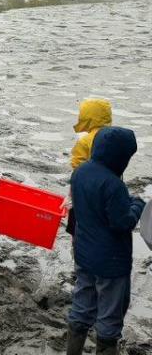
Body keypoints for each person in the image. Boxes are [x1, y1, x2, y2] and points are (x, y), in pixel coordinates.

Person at [66, 127, 145, 355]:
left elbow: (93, 206)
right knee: (110, 317)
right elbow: (123, 222)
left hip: (84, 254)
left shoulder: (79, 172)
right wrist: (138, 204)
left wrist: (124, 201)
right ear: (121, 157)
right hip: (111, 262)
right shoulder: (114, 184)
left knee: (82, 305)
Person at [67, 98, 113, 237]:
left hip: (86, 196)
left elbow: (78, 169)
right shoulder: (114, 137)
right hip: (108, 195)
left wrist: (71, 195)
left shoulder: (85, 141)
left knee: (78, 232)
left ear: (87, 117)